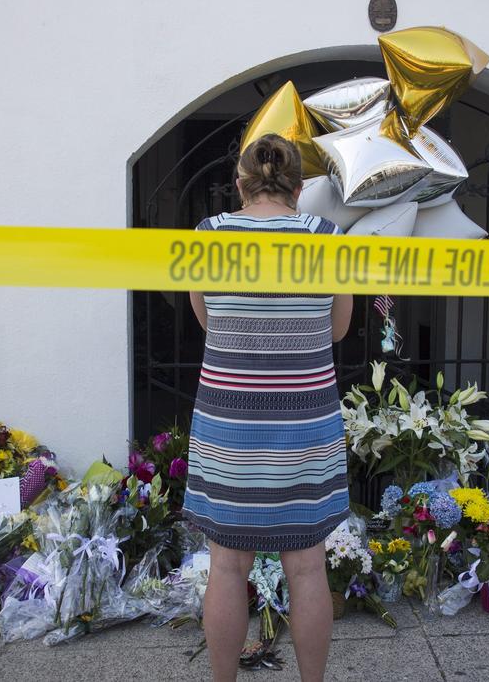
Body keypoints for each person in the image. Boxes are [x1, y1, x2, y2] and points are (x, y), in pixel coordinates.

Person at [182, 133, 353, 682]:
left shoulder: (209, 236)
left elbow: (207, 320)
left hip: (228, 427)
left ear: (240, 184)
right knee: (307, 569)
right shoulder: (326, 237)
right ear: (298, 189)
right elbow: (339, 328)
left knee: (227, 567)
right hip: (305, 426)